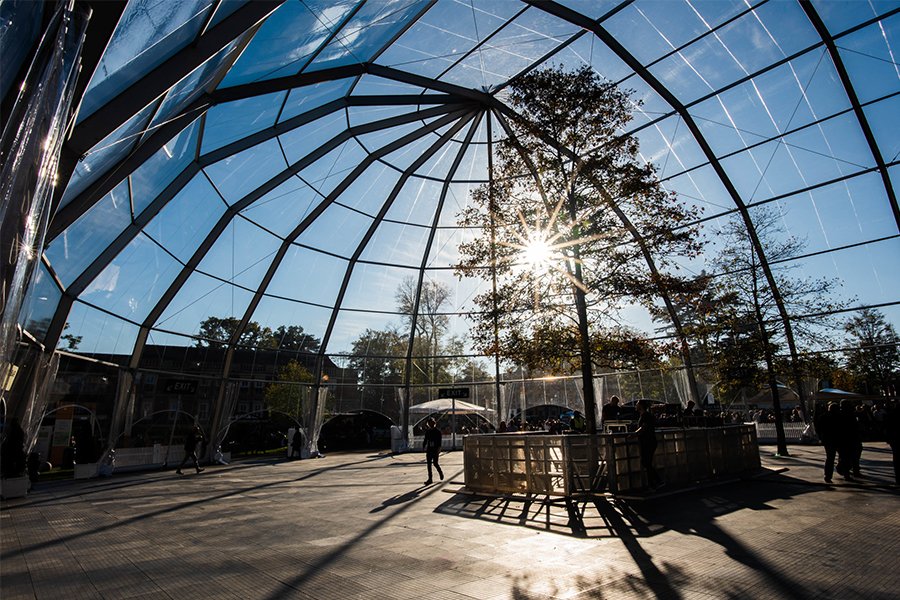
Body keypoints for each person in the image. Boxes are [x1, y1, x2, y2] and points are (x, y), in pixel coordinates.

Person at [636, 400, 663, 491]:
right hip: (649, 441)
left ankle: (656, 482)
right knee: (647, 462)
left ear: (641, 406)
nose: (636, 405)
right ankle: (654, 483)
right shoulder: (645, 415)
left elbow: (643, 427)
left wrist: (634, 434)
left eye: (637, 404)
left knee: (646, 462)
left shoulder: (645, 416)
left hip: (648, 441)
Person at [814, 402, 840, 483]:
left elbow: (818, 428)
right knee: (842, 455)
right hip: (837, 438)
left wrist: (821, 437)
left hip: (827, 439)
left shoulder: (823, 417)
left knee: (830, 458)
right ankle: (844, 471)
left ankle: (828, 475)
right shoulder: (839, 417)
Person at [423, 418, 443, 485]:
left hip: (435, 449)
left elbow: (439, 441)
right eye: (429, 424)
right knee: (429, 464)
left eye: (431, 423)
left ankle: (440, 472)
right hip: (429, 449)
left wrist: (439, 449)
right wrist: (424, 446)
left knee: (435, 463)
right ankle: (430, 479)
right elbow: (425, 439)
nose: (430, 425)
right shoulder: (428, 431)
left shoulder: (437, 431)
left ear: (434, 423)